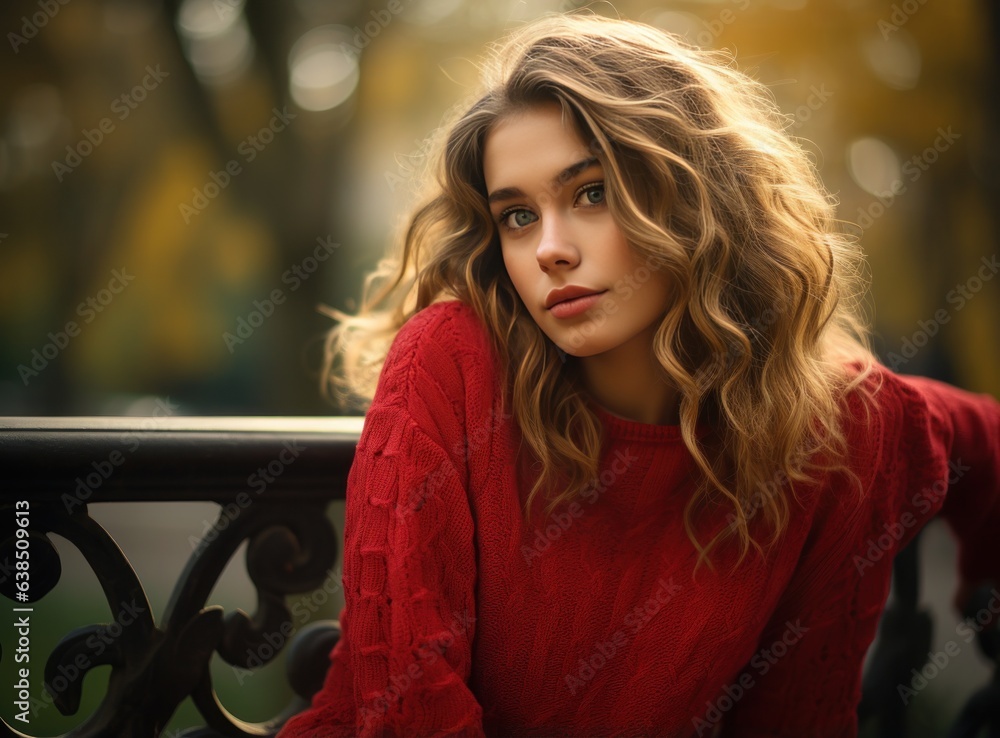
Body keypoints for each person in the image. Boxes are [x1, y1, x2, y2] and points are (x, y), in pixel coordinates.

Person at [277, 12, 1000, 738]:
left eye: (592, 193)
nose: (551, 250)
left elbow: (973, 437)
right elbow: (408, 713)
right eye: (519, 217)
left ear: (694, 198)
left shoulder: (838, 425)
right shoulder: (450, 363)